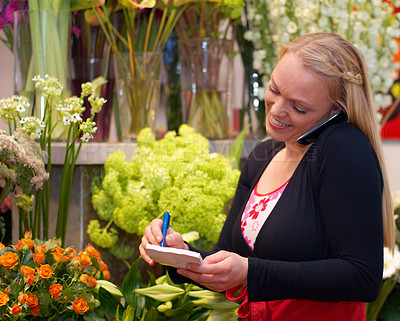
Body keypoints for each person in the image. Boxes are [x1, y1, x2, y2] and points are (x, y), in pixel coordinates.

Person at [139, 33, 395, 320]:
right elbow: (226, 259)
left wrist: (250, 271)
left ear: (335, 112)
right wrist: (179, 254)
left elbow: (362, 276)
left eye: (299, 107)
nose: (276, 109)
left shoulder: (343, 149)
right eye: (273, 89)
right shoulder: (264, 154)